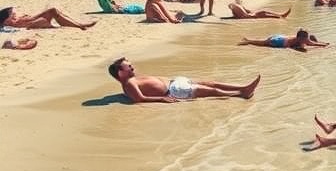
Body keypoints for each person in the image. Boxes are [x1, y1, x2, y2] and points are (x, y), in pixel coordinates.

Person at [108, 57, 260, 103]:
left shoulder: (131, 81)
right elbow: (140, 99)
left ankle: (243, 87)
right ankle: (240, 94)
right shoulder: (128, 83)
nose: (132, 67)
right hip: (174, 91)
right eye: (129, 67)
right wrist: (162, 99)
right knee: (211, 91)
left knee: (211, 83)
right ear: (121, 73)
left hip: (176, 83)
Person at [0, 5, 96, 30]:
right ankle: (79, 25)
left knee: (54, 10)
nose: (13, 13)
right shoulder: (9, 22)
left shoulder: (11, 19)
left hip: (34, 19)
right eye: (11, 13)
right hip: (35, 21)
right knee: (53, 10)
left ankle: (79, 24)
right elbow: (27, 26)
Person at [239, 29, 329, 52]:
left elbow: (314, 44)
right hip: (278, 41)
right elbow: (286, 46)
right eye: (306, 38)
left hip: (281, 36)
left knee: (262, 41)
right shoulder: (296, 40)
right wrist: (294, 48)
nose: (307, 40)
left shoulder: (304, 39)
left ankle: (248, 40)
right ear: (301, 38)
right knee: (263, 43)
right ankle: (248, 41)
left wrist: (324, 44)